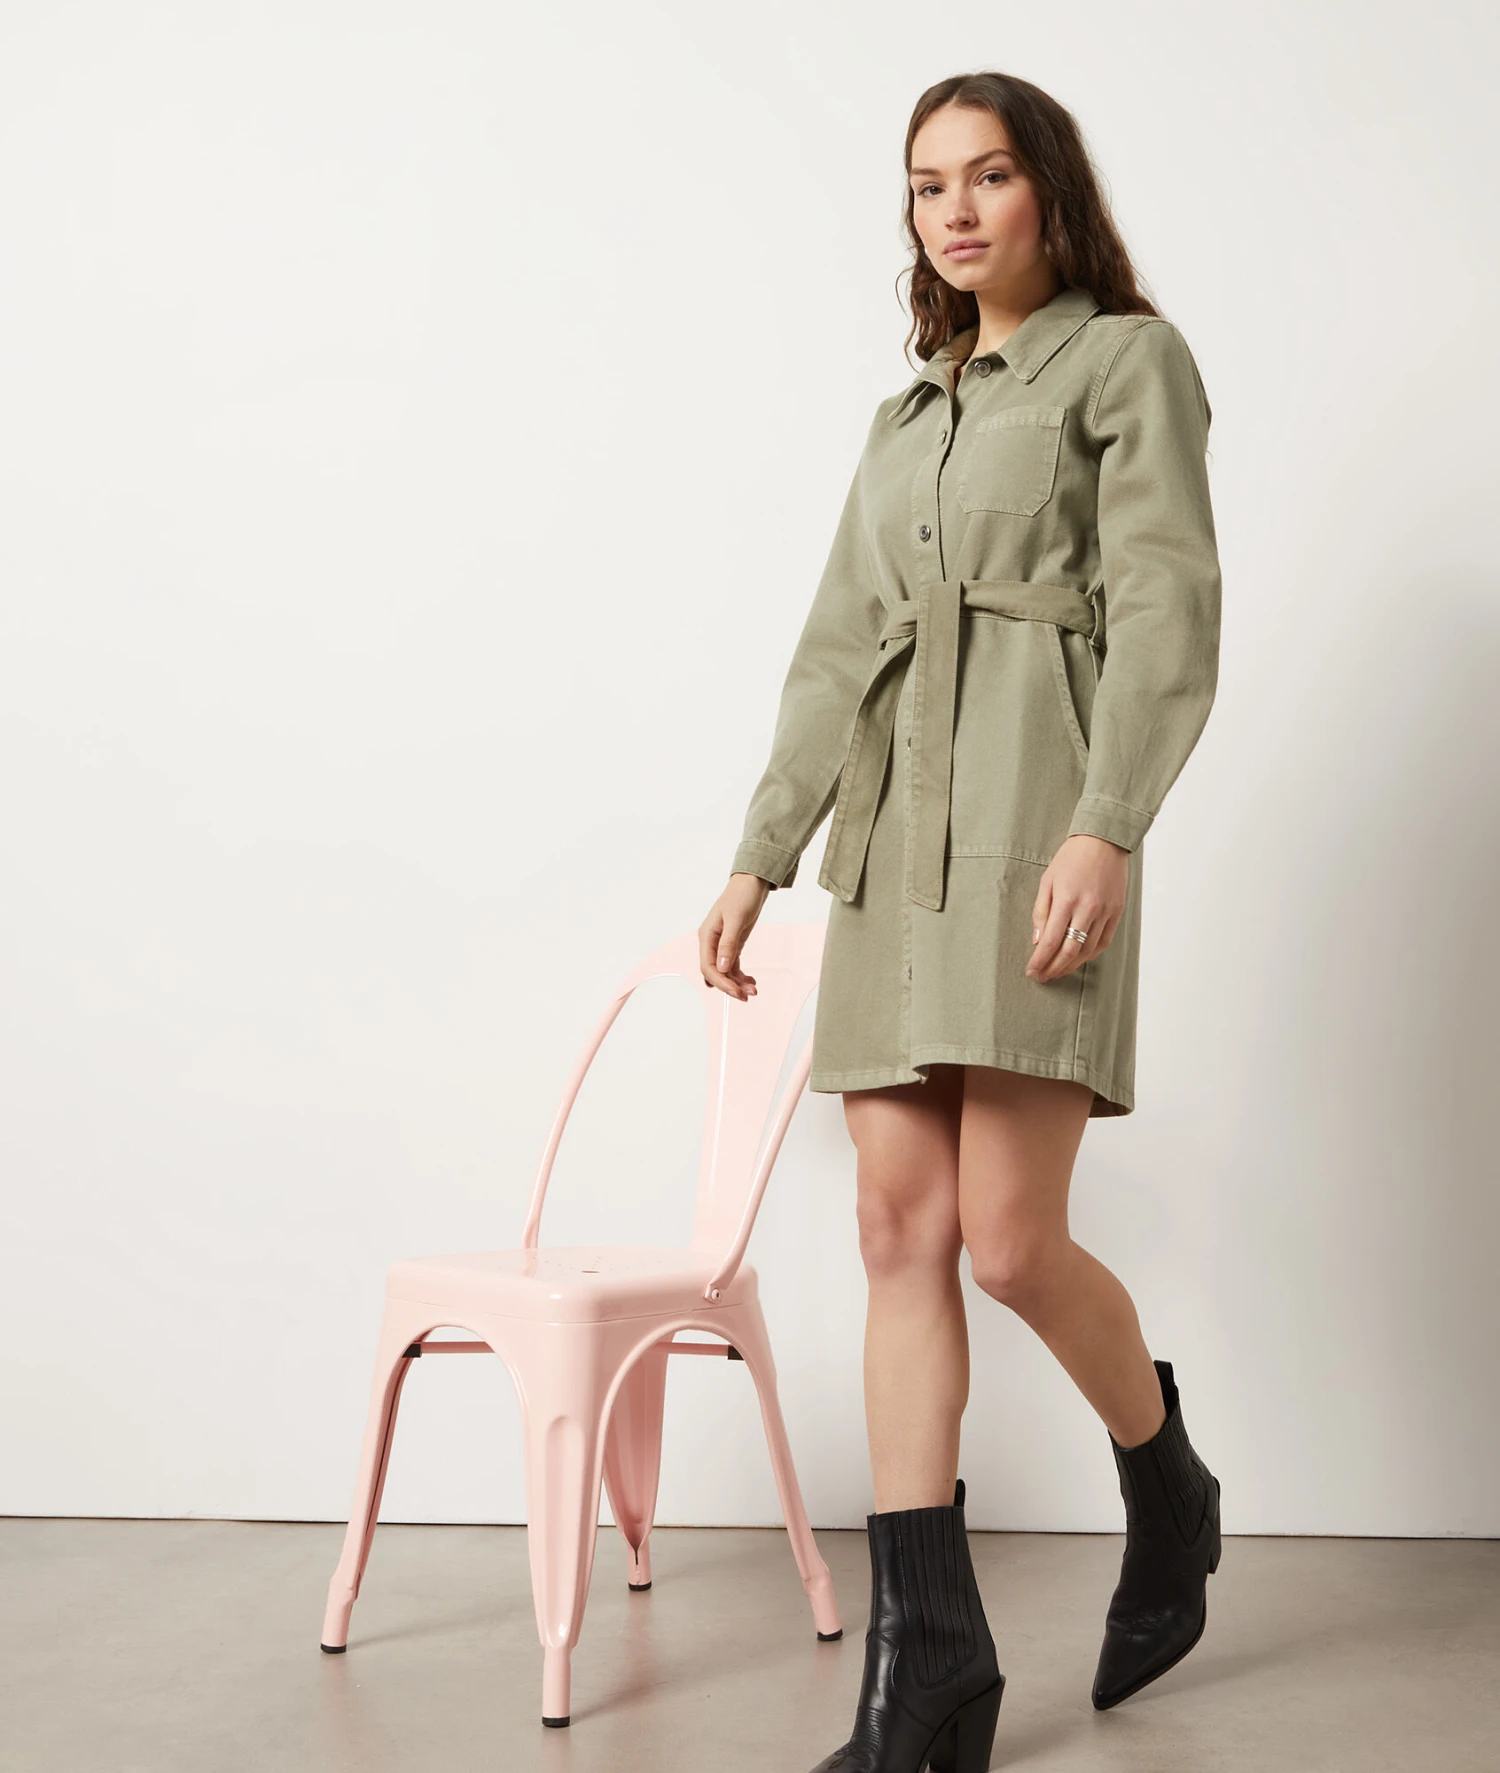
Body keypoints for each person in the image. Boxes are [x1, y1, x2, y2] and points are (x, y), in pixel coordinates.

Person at [698, 69, 1224, 1773]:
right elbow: (834, 647)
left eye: (989, 175)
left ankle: (1166, 1479)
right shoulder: (903, 417)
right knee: (893, 1231)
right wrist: (762, 854)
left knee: (1007, 1241)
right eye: (929, 185)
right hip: (891, 847)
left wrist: (1108, 825)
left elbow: (1167, 609)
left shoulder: (1125, 363)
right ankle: (927, 1661)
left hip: (1032, 828)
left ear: (1048, 189)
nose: (958, 209)